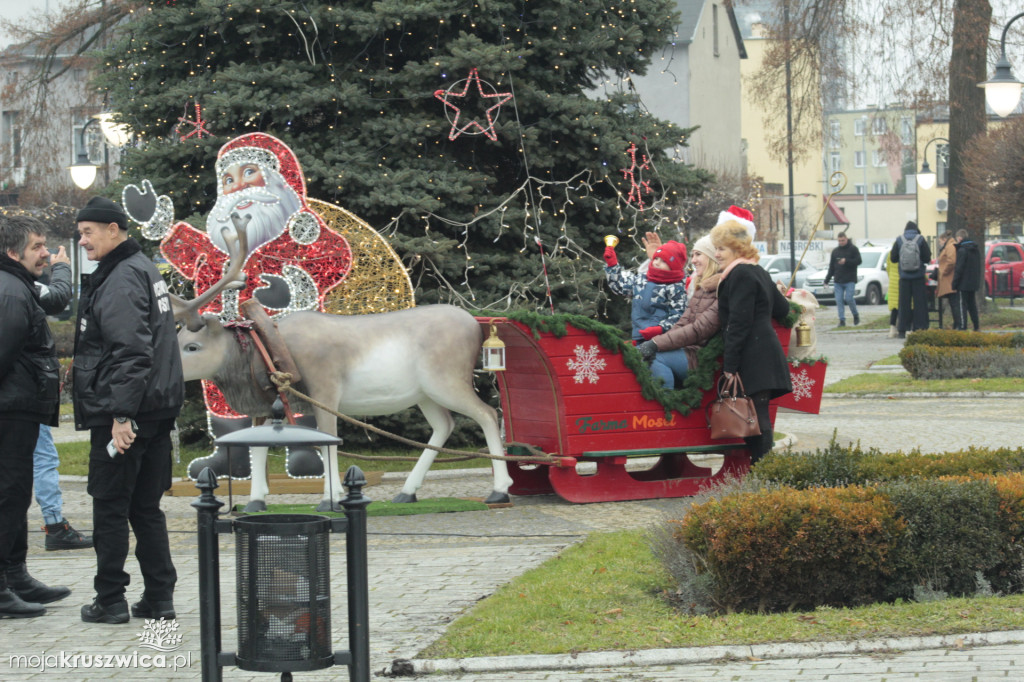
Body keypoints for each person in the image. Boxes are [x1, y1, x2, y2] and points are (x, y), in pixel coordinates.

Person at [73, 197, 184, 625]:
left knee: (110, 506)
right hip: (155, 407)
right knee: (145, 508)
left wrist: (121, 416)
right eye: (81, 232)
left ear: (114, 229)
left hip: (127, 412)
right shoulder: (141, 268)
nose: (83, 240)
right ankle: (160, 597)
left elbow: (131, 352)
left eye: (88, 232)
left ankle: (111, 600)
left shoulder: (121, 277)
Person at [0, 215, 72, 619]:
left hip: (19, 408)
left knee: (15, 495)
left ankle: (16, 576)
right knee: (8, 497)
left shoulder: (16, 285)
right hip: (9, 410)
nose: (45, 253)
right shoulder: (10, 292)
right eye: (38, 247)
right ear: (14, 253)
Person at [710, 219, 793, 465]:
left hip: (754, 354)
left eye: (721, 249)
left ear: (737, 249)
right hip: (764, 350)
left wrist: (730, 365)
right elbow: (783, 308)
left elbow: (739, 323)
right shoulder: (757, 271)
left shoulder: (741, 274)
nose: (716, 254)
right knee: (755, 417)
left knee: (757, 418)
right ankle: (761, 471)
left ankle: (763, 472)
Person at [32, 245, 93, 551]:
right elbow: (57, 298)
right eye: (35, 247)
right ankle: (55, 525)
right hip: (21, 394)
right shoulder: (15, 284)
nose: (42, 253)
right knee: (43, 458)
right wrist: (62, 267)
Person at [637, 235, 721, 387]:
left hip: (705, 357)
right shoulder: (701, 288)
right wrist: (655, 343)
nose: (693, 260)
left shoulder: (721, 289)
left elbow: (698, 329)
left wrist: (656, 344)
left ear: (711, 257)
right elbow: (682, 323)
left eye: (698, 254)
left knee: (657, 359)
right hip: (689, 350)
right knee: (640, 352)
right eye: (693, 255)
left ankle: (666, 407)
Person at [604, 233, 688, 346]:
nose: (657, 262)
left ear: (673, 266)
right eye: (656, 258)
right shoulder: (641, 280)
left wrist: (660, 329)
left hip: (662, 340)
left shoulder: (676, 287)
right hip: (638, 336)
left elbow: (679, 315)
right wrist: (612, 265)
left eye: (664, 261)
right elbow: (620, 286)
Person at [891, 221, 932, 337]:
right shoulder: (920, 239)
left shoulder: (899, 240)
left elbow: (893, 258)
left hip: (904, 278)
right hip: (918, 277)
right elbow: (927, 257)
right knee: (920, 303)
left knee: (904, 304)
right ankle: (920, 328)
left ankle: (903, 330)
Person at [822, 231, 862, 326]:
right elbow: (831, 267)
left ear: (846, 239)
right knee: (839, 301)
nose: (841, 242)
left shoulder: (853, 249)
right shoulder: (835, 251)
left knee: (849, 298)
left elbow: (859, 261)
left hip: (850, 279)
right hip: (838, 280)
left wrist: (846, 261)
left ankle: (855, 315)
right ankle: (842, 320)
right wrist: (827, 280)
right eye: (839, 240)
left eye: (843, 240)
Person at [952, 229, 981, 331]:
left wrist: (954, 283)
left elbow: (959, 268)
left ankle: (963, 326)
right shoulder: (975, 249)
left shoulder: (962, 250)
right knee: (972, 305)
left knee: (961, 305)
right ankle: (976, 326)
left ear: (960, 238)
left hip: (963, 283)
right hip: (973, 283)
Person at [936, 230, 962, 331]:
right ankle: (957, 324)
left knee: (954, 302)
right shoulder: (949, 246)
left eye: (940, 241)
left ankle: (958, 324)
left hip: (949, 278)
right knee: (952, 302)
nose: (940, 244)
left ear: (944, 239)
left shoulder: (950, 246)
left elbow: (951, 261)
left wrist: (944, 271)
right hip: (949, 278)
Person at [886, 251, 900, 338]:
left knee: (894, 307)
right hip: (905, 280)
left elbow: (888, 268)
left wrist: (891, 277)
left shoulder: (891, 253)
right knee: (908, 306)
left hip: (893, 282)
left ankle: (892, 329)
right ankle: (907, 328)